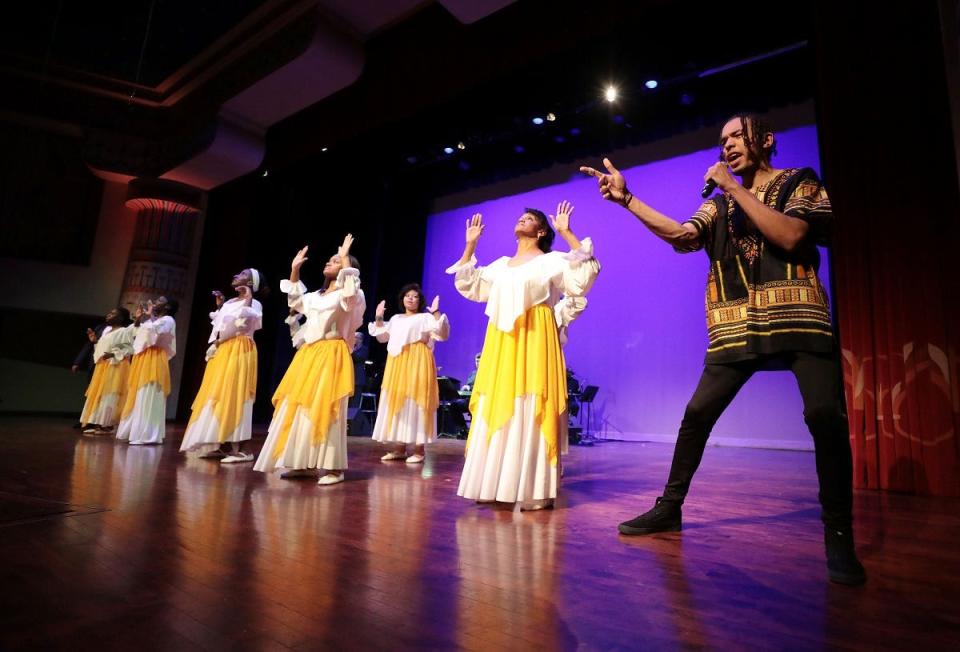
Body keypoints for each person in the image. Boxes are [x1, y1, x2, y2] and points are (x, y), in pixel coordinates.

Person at [579, 113, 866, 585]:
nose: (728, 145)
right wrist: (627, 200)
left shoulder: (798, 182)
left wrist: (733, 188)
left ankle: (838, 535)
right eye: (722, 140)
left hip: (799, 316)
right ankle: (669, 508)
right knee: (697, 414)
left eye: (737, 136)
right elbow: (681, 236)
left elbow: (793, 235)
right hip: (738, 323)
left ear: (766, 141)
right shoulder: (718, 206)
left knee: (823, 416)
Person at [447, 201, 599, 510]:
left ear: (541, 230)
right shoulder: (501, 265)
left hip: (535, 335)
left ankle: (534, 488)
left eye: (529, 218)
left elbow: (581, 279)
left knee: (530, 404)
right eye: (521, 217)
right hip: (502, 342)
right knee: (499, 402)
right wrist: (470, 245)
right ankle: (492, 483)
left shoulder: (552, 260)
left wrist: (567, 232)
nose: (522, 219)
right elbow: (471, 286)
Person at [253, 235, 366, 485]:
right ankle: (303, 463)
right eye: (330, 259)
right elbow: (296, 301)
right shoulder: (317, 296)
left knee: (327, 408)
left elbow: (349, 296)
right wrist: (295, 269)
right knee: (300, 408)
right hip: (309, 355)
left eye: (336, 261)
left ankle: (333, 467)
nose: (330, 262)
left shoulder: (353, 295)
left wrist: (346, 256)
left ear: (348, 269)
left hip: (331, 353)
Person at [179, 269, 264, 463]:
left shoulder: (255, 303)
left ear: (250, 282)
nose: (236, 275)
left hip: (240, 347)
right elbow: (221, 327)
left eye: (242, 274)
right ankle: (223, 444)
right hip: (224, 349)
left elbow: (247, 323)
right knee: (218, 395)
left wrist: (249, 297)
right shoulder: (229, 303)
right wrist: (220, 308)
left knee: (236, 394)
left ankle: (243, 448)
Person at [369, 284, 450, 464]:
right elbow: (382, 337)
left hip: (418, 360)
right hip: (397, 363)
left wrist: (436, 312)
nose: (411, 298)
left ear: (420, 301)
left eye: (415, 296)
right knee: (399, 401)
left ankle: (419, 450)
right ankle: (399, 448)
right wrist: (379, 317)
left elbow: (442, 334)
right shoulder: (396, 319)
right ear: (402, 299)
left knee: (417, 401)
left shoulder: (425, 317)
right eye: (408, 296)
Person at [116, 297, 178, 445]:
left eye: (160, 301)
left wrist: (150, 316)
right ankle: (133, 431)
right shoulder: (154, 321)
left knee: (147, 394)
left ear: (167, 306)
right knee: (137, 394)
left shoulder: (168, 320)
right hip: (144, 358)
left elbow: (154, 335)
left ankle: (146, 434)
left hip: (154, 358)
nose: (155, 302)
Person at [79, 308, 134, 434]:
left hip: (115, 366)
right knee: (101, 394)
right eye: (109, 313)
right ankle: (99, 423)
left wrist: (112, 354)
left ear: (121, 318)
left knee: (110, 394)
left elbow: (129, 348)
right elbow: (103, 350)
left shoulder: (123, 331)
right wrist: (95, 342)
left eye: (113, 313)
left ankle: (108, 425)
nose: (109, 314)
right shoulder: (107, 332)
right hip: (103, 367)